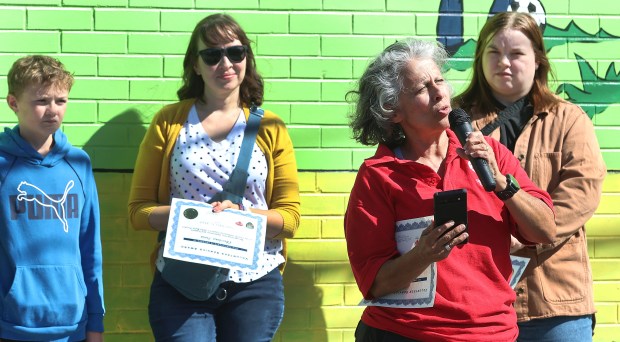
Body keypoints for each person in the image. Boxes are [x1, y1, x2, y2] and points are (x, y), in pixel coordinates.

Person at [344, 38, 557, 341]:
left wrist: (502, 185)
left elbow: (546, 230)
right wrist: (422, 255)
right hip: (405, 333)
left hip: (491, 332)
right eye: (422, 89)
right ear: (393, 111)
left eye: (440, 80)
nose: (439, 93)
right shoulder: (378, 175)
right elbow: (374, 283)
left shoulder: (491, 154)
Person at [127, 13, 300, 341]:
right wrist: (194, 218)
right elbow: (138, 212)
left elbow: (290, 219)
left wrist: (242, 216)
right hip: (182, 280)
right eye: (212, 55)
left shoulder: (271, 127)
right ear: (195, 65)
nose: (226, 63)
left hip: (255, 284)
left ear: (247, 58)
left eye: (236, 53)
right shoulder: (169, 122)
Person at [453, 11, 606, 342]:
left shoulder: (568, 120)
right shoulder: (455, 122)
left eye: (516, 53)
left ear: (538, 60)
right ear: (480, 59)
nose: (504, 63)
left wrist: (521, 237)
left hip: (553, 301)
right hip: (473, 302)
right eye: (494, 52)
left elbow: (579, 195)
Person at [0, 55, 104, 341]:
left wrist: (96, 321)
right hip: (12, 324)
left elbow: (90, 248)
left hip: (72, 324)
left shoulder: (78, 163)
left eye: (61, 101)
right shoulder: (2, 166)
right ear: (13, 103)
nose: (53, 111)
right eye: (42, 101)